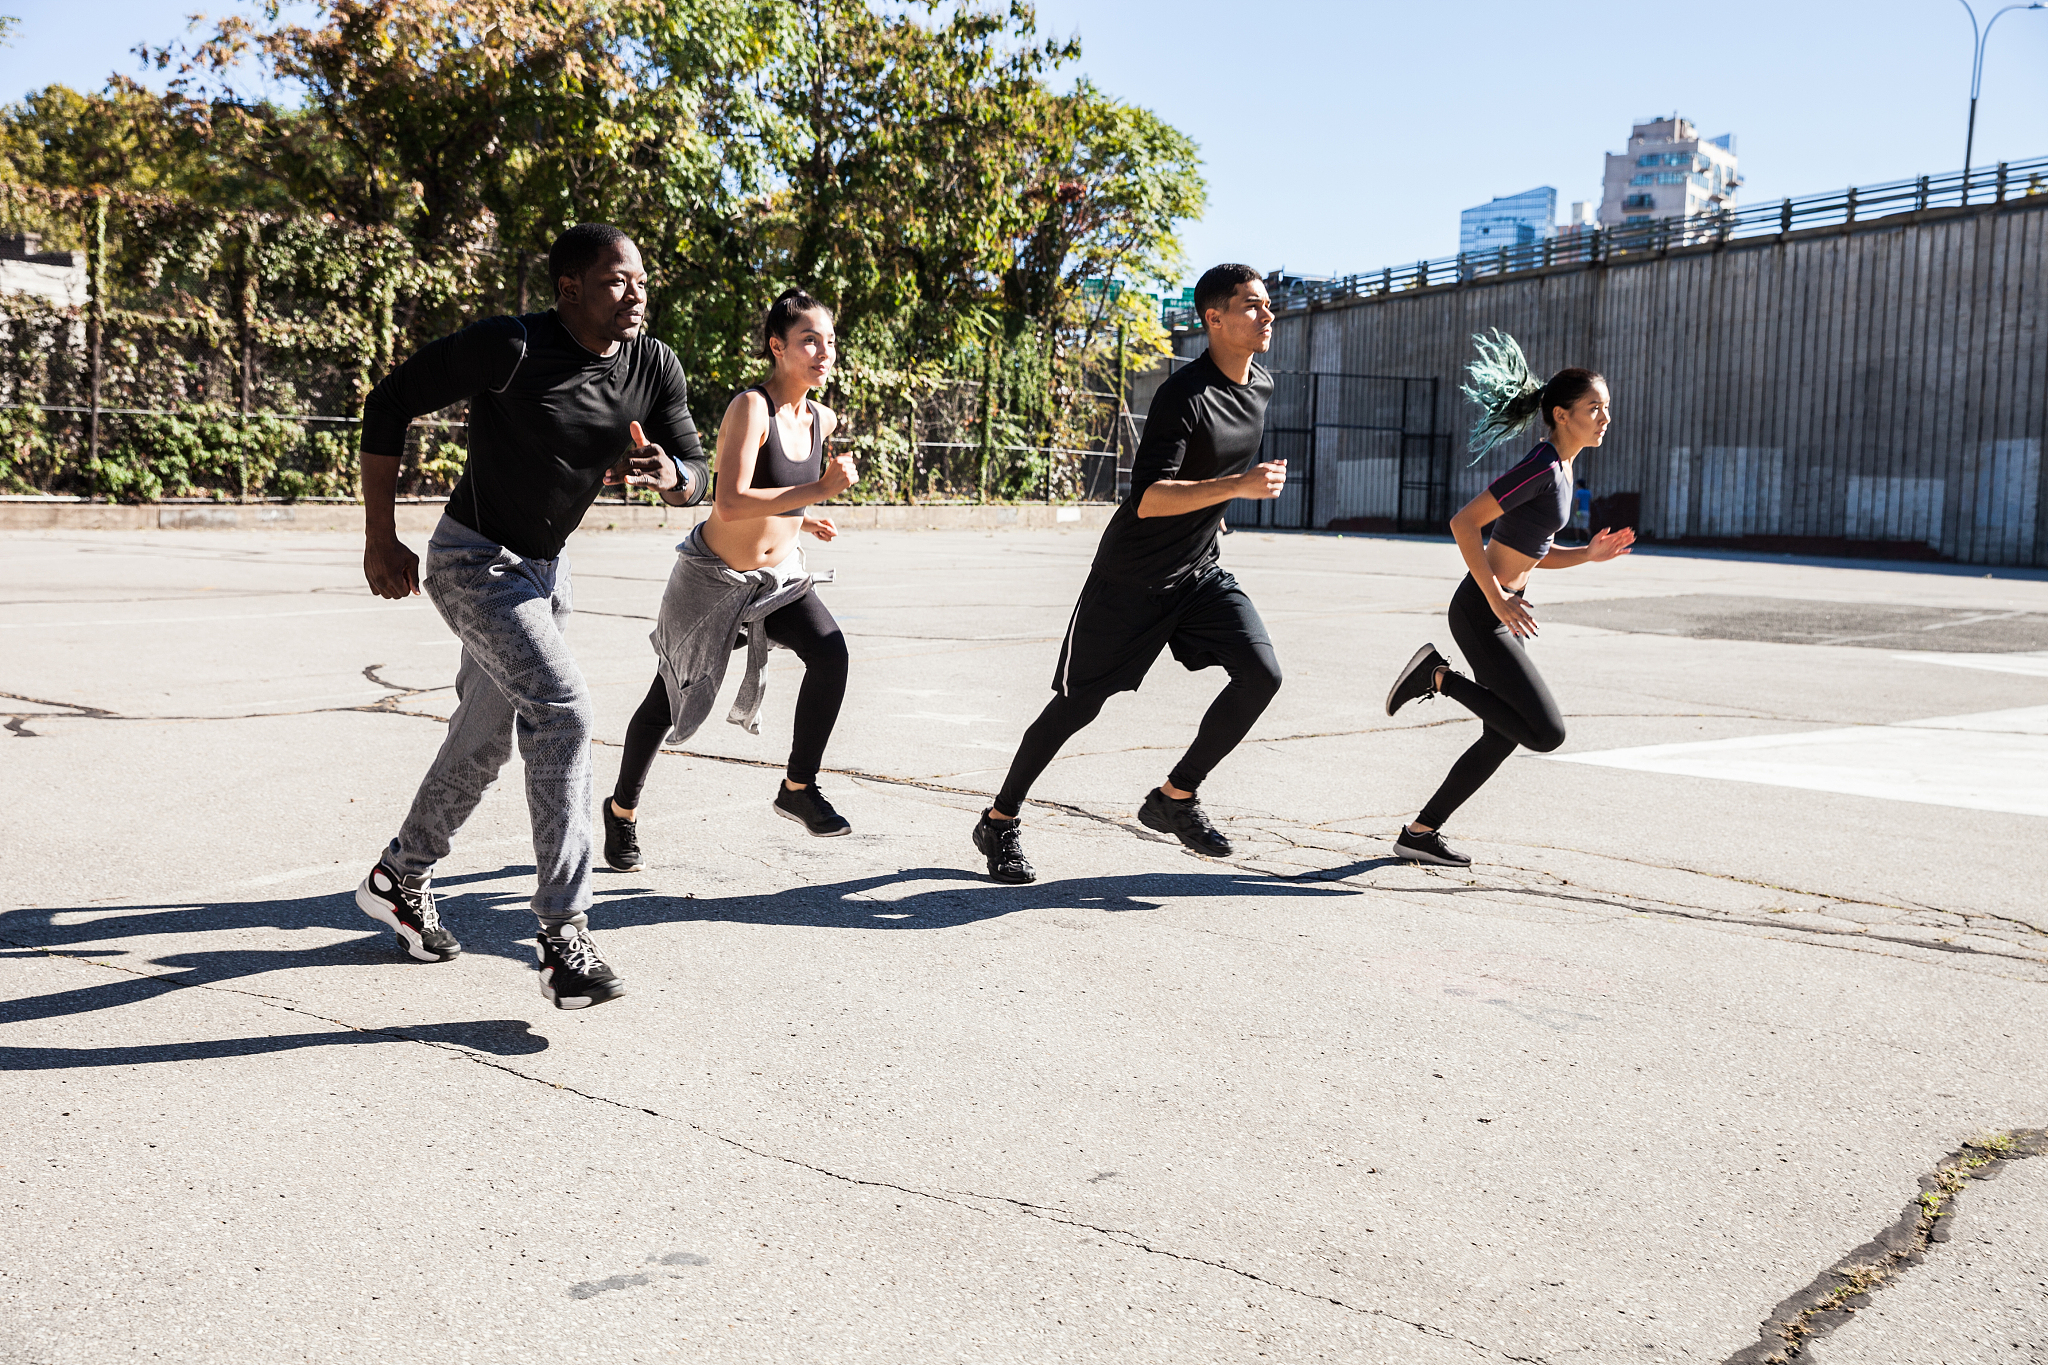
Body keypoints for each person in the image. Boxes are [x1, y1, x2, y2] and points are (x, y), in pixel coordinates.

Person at [353, 223, 708, 1010]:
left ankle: (399, 875)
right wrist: (382, 534)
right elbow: (390, 401)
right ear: (570, 289)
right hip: (474, 561)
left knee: (482, 741)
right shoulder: (510, 346)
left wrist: (672, 475)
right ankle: (562, 936)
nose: (638, 292)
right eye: (618, 280)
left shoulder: (653, 363)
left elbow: (698, 468)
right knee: (563, 711)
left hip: (547, 574)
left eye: (642, 278)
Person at [971, 263, 1287, 884]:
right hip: (1131, 579)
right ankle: (999, 820)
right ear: (1213, 318)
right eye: (1252, 306)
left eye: (1267, 305)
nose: (1267, 315)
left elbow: (1197, 481)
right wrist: (1236, 489)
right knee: (1078, 705)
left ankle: (1174, 798)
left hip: (1197, 573)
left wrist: (1214, 508)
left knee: (1262, 673)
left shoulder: (1261, 386)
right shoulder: (1183, 395)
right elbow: (1147, 498)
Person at [602, 287, 857, 870]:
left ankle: (797, 787)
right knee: (667, 699)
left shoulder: (822, 417)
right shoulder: (751, 408)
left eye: (830, 342)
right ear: (777, 346)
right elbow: (732, 501)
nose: (823, 352)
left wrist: (803, 514)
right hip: (713, 579)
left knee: (831, 655)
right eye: (808, 341)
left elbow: (776, 494)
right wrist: (818, 490)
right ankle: (622, 810)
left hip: (775, 582)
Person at [1381, 330, 1635, 867]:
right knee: (1545, 732)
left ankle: (1420, 834)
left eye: (1607, 408)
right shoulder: (1541, 466)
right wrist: (1497, 597)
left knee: (1502, 734)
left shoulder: (1562, 470)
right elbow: (1464, 523)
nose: (1605, 417)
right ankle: (1437, 678)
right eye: (1594, 408)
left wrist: (1586, 556)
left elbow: (1528, 551)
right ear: (1562, 414)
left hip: (1497, 609)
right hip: (1482, 611)